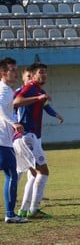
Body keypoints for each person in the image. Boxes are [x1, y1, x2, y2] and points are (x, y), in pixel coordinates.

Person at [14, 62, 64, 219]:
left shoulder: (38, 90)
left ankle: (24, 209)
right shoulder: (30, 87)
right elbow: (16, 102)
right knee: (42, 172)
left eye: (45, 72)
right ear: (33, 74)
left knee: (34, 174)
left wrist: (55, 114)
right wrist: (38, 97)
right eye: (41, 72)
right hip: (27, 135)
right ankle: (33, 210)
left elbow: (45, 105)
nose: (44, 75)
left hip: (30, 136)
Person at [0, 58, 27, 224]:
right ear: (3, 73)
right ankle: (10, 213)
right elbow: (0, 107)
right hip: (2, 141)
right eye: (12, 70)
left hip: (4, 140)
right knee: (11, 174)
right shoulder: (5, 90)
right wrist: (14, 123)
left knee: (10, 174)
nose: (16, 73)